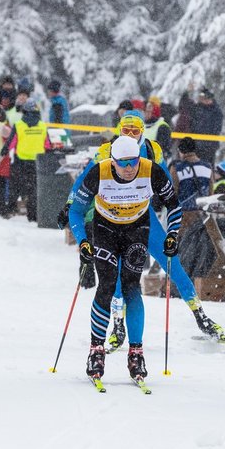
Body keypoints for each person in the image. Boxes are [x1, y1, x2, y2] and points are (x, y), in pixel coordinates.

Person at [61, 111, 225, 345]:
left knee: (173, 264)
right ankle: (118, 324)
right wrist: (70, 205)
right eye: (125, 131)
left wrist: (165, 204)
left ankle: (201, 316)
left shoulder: (152, 149)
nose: (129, 135)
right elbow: (83, 182)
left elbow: (161, 181)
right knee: (117, 275)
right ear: (119, 131)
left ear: (141, 131)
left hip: (143, 217)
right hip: (113, 219)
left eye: (134, 131)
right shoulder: (107, 151)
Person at [68, 136, 182, 386]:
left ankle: (136, 353)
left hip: (136, 228)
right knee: (107, 285)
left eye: (134, 162)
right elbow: (75, 211)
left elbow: (174, 205)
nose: (130, 168)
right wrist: (83, 241)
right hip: (105, 229)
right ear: (114, 161)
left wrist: (172, 234)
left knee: (131, 286)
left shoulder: (152, 171)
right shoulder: (99, 172)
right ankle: (96, 350)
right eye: (124, 163)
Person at [4, 102, 49, 221]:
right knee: (34, 189)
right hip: (37, 162)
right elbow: (47, 144)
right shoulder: (43, 126)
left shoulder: (19, 125)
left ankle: (10, 209)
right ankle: (33, 215)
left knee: (15, 187)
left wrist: (3, 151)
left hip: (20, 161)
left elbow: (12, 142)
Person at [170, 137, 213, 211]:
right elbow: (211, 194)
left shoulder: (177, 169)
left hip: (185, 215)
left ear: (181, 151)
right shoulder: (208, 168)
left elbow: (172, 195)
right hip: (203, 214)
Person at [190, 87, 223, 163]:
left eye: (204, 98)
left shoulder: (216, 111)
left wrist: (209, 141)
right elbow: (192, 124)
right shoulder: (197, 108)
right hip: (196, 145)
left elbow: (217, 128)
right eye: (200, 97)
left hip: (209, 146)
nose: (202, 99)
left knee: (208, 167)